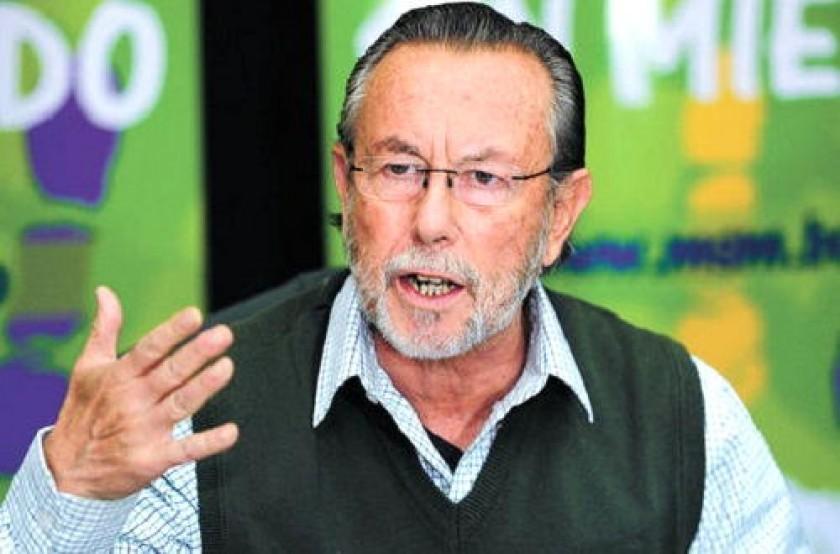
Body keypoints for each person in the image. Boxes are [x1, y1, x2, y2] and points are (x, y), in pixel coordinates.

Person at [0, 3, 807, 552]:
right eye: (399, 168)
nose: (431, 221)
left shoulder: (682, 417)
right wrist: (76, 492)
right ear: (345, 184)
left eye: (484, 179)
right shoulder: (197, 412)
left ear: (561, 212)